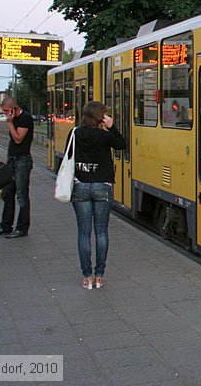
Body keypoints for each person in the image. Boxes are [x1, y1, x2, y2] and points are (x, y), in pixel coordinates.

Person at [70, 101, 126, 290]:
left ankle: (86, 277)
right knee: (101, 232)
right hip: (102, 187)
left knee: (83, 233)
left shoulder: (75, 133)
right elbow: (121, 144)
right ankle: (99, 275)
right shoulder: (104, 136)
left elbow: (69, 156)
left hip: (80, 186)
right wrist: (112, 127)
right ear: (100, 117)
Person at [0, 96, 34, 239]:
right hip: (12, 159)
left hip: (22, 160)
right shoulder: (13, 118)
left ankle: (22, 228)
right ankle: (5, 225)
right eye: (3, 112)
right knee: (8, 193)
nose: (5, 114)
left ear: (15, 109)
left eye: (7, 111)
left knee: (22, 195)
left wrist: (10, 123)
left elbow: (18, 138)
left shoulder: (25, 118)